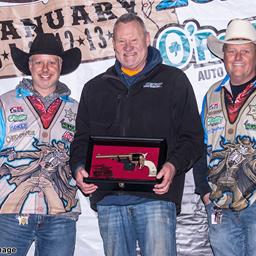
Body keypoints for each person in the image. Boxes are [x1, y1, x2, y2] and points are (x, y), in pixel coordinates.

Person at [70, 13, 203, 256]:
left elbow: (193, 138)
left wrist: (173, 166)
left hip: (156, 198)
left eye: (134, 40)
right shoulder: (94, 88)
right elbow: (81, 140)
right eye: (121, 41)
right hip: (110, 201)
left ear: (147, 39)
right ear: (113, 45)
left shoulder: (174, 81)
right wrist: (79, 167)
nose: (128, 47)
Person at [0, 33, 81, 256]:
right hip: (9, 216)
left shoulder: (78, 110)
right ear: (29, 65)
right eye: (39, 62)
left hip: (61, 216)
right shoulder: (4, 103)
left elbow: (83, 156)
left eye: (51, 62)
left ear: (60, 65)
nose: (45, 69)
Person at [193, 18, 256, 256]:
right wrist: (205, 192)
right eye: (232, 51)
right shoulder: (211, 95)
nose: (237, 57)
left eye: (245, 51)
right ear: (224, 56)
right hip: (219, 202)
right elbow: (200, 144)